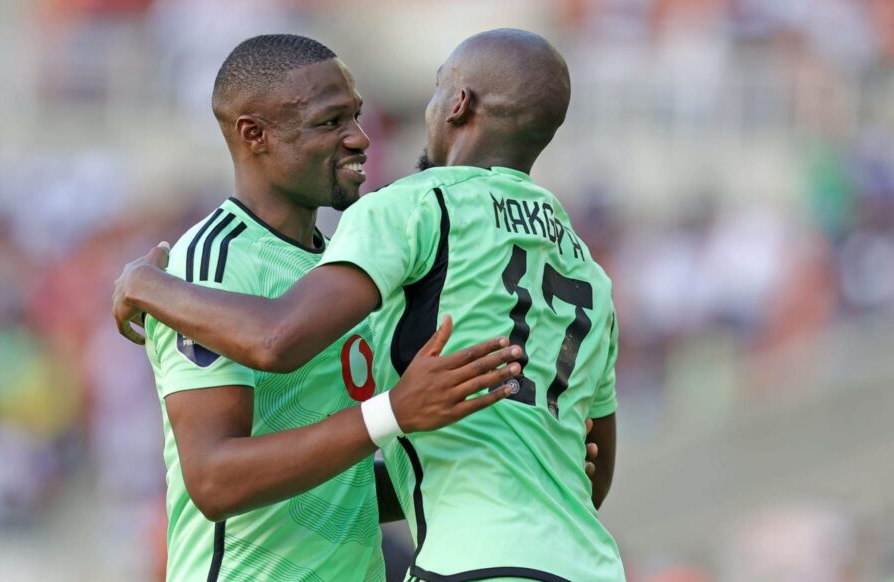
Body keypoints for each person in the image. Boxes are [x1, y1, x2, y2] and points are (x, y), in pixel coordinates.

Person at [118, 29, 623, 581]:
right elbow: (215, 479)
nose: (360, 138)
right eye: (331, 122)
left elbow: (346, 475)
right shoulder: (209, 265)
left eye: (356, 117)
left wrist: (503, 455)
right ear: (254, 134)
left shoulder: (348, 277)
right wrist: (143, 283)